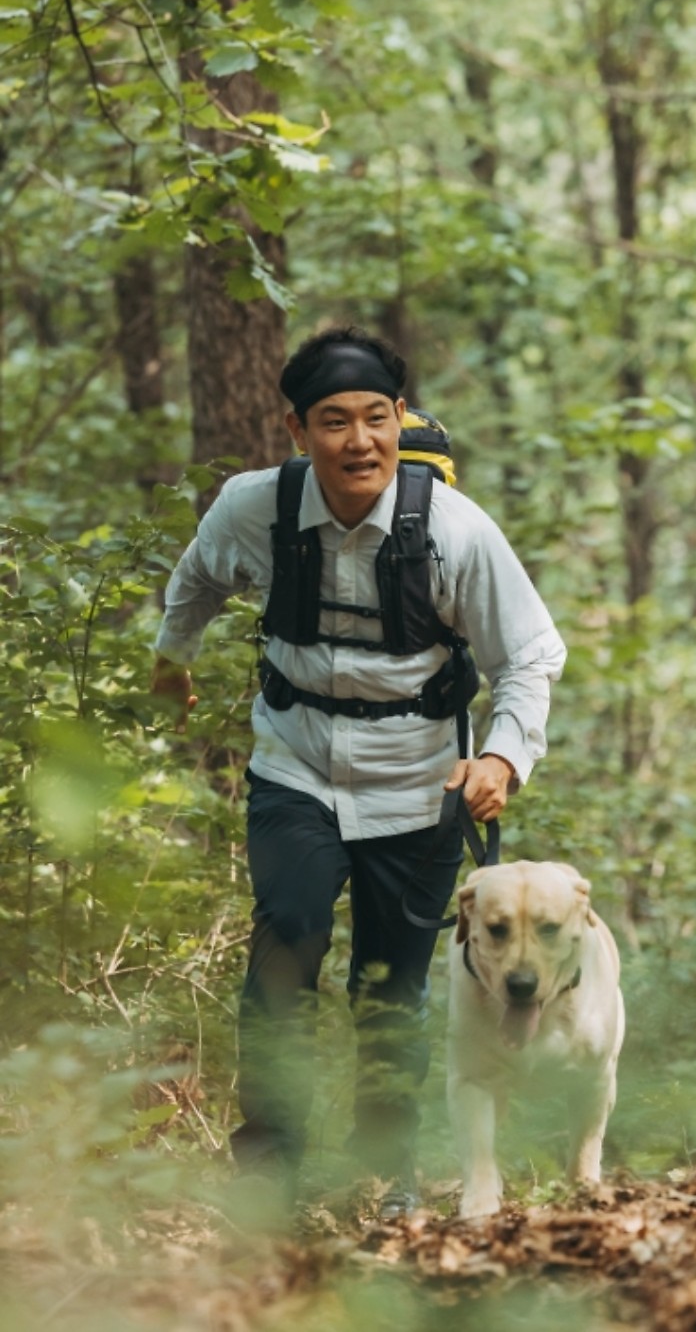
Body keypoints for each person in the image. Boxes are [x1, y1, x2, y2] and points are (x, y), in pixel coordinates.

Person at [151, 325, 566, 1222]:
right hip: (295, 765)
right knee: (285, 945)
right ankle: (268, 1167)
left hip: (421, 782)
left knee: (391, 988)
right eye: (334, 421)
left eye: (377, 417)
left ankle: (385, 1173)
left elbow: (532, 653)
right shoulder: (252, 508)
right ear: (296, 429)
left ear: (400, 418)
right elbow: (195, 581)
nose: (359, 441)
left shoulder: (454, 530)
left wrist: (502, 753)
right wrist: (169, 661)